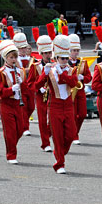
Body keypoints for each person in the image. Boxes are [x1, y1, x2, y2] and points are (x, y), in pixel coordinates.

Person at [35, 35, 78, 174]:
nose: (65, 61)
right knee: (58, 136)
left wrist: (63, 74)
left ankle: (59, 153)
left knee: (71, 135)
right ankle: (60, 163)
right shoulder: (50, 70)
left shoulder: (72, 70)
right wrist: (44, 74)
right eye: (62, 58)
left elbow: (73, 83)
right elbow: (36, 86)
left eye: (66, 58)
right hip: (54, 106)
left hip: (68, 105)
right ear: (57, 58)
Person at [0, 40, 26, 164]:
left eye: (15, 57)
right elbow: (0, 92)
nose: (14, 60)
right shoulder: (1, 72)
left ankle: (11, 146)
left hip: (17, 103)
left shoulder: (20, 71)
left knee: (20, 129)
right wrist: (11, 89)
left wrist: (21, 83)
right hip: (6, 104)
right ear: (5, 58)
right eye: (11, 57)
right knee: (10, 131)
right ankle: (11, 155)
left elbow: (26, 88)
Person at [28, 35, 53, 152]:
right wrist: (38, 89)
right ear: (41, 54)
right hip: (41, 96)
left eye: (49, 52)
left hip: (53, 96)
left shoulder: (55, 65)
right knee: (42, 120)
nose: (48, 55)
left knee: (53, 121)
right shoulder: (35, 66)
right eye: (46, 53)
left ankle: (47, 136)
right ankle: (45, 143)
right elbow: (30, 84)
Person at [68, 34, 92, 145]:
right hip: (69, 91)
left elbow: (89, 77)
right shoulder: (65, 62)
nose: (76, 53)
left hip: (80, 90)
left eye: (77, 50)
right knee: (72, 115)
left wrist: (83, 77)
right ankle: (74, 135)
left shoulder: (83, 62)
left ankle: (75, 132)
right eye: (74, 50)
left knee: (82, 114)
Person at [13, 33, 34, 136]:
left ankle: (23, 120)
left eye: (25, 48)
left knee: (31, 107)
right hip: (21, 86)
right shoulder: (14, 59)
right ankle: (25, 127)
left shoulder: (31, 58)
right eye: (21, 48)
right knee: (24, 107)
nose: (23, 50)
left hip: (30, 86)